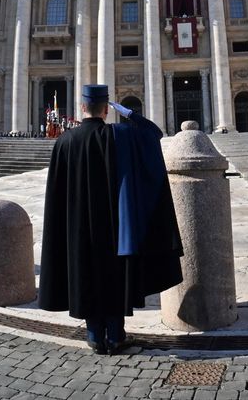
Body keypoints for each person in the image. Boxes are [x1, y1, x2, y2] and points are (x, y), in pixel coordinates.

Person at [39, 84, 183, 356]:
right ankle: (116, 336)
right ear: (107, 109)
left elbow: (56, 195)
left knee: (85, 272)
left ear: (82, 108)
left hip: (78, 228)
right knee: (114, 275)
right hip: (116, 227)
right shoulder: (122, 135)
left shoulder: (65, 142)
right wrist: (128, 112)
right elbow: (154, 134)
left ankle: (94, 335)